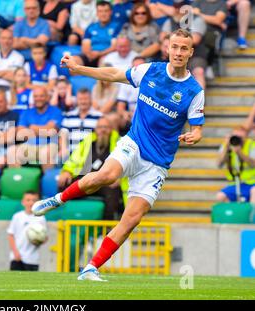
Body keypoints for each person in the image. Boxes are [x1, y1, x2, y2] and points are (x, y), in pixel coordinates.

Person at [32, 28, 205, 281]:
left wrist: (194, 135)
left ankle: (91, 268)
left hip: (157, 164)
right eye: (175, 46)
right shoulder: (150, 70)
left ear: (191, 52)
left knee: (131, 219)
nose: (178, 52)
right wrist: (80, 70)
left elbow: (197, 128)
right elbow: (113, 74)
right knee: (107, 174)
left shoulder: (194, 91)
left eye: (183, 48)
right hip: (134, 143)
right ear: (167, 48)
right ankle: (58, 199)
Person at [58, 116, 124, 220]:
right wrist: (67, 171)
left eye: (106, 127)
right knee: (63, 184)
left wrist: (119, 177)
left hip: (106, 182)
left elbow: (125, 163)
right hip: (86, 179)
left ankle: (105, 230)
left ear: (111, 129)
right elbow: (74, 158)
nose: (103, 130)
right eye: (100, 127)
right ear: (96, 129)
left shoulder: (119, 143)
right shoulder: (87, 141)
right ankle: (67, 219)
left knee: (113, 194)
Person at [7, 86, 63, 172]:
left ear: (47, 97)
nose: (38, 99)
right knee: (11, 151)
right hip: (29, 145)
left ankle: (47, 182)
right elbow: (20, 133)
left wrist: (31, 128)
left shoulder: (55, 111)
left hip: (49, 145)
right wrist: (44, 129)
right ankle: (20, 180)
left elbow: (51, 131)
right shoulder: (27, 112)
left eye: (41, 96)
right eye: (36, 96)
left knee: (46, 153)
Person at [7, 191, 47, 271]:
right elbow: (11, 235)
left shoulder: (41, 218)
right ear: (23, 202)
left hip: (32, 259)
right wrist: (15, 252)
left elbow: (44, 237)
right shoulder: (17, 216)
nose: (31, 202)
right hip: (17, 258)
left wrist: (40, 240)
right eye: (28, 200)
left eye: (34, 200)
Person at [59, 87, 102, 159]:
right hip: (70, 154)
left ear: (91, 100)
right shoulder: (69, 116)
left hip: (90, 154)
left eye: (86, 99)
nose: (83, 102)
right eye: (80, 99)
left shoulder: (99, 116)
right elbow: (63, 134)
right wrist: (63, 148)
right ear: (77, 100)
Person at [216, 125, 255, 202]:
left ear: (246, 137)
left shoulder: (251, 145)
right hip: (235, 183)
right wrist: (226, 147)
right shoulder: (227, 145)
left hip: (252, 183)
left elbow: (253, 164)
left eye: (241, 137)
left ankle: (252, 213)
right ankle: (233, 213)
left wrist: (240, 152)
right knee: (220, 196)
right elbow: (219, 164)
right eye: (235, 137)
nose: (238, 140)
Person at [74, 1, 119, 68]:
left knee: (104, 62)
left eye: (106, 11)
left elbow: (114, 47)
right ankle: (77, 78)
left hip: (107, 55)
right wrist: (89, 54)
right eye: (100, 11)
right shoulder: (91, 27)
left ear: (111, 12)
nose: (103, 14)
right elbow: (85, 45)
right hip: (91, 55)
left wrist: (99, 54)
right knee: (74, 61)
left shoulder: (116, 27)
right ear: (97, 13)